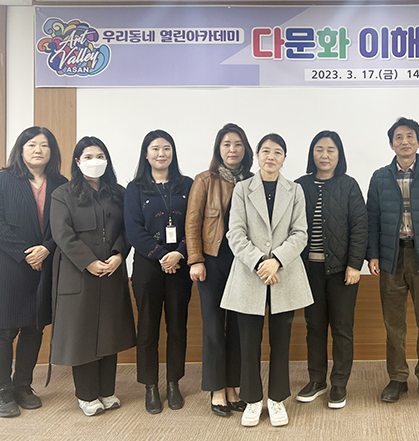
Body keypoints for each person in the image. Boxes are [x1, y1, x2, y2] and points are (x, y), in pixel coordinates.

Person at [220, 133, 313, 427]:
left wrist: (277, 260)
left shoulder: (295, 190)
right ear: (257, 156)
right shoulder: (242, 189)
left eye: (277, 152)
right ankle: (251, 399)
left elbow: (300, 233)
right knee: (249, 342)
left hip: (284, 274)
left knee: (281, 342)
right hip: (250, 274)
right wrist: (260, 261)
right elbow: (235, 233)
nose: (271, 156)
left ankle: (276, 399)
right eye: (265, 151)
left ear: (284, 158)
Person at [0, 127, 67, 418]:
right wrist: (26, 253)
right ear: (21, 149)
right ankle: (3, 389)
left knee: (34, 327)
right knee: (4, 330)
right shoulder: (3, 180)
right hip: (9, 265)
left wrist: (46, 248)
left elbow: (66, 225)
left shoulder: (61, 184)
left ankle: (23, 385)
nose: (38, 150)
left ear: (52, 151)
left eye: (44, 145)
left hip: (45, 264)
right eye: (31, 144)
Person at [50, 136, 136, 417]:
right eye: (88, 157)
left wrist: (119, 255)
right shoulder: (63, 194)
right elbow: (62, 233)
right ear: (77, 162)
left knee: (110, 332)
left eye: (100, 156)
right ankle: (87, 396)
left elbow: (128, 229)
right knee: (83, 335)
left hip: (112, 271)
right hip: (79, 275)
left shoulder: (119, 193)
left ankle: (107, 391)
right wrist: (88, 262)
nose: (94, 161)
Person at [366, 117, 419, 404]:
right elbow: (372, 219)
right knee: (394, 324)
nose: (404, 142)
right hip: (392, 257)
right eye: (398, 137)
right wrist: (373, 255)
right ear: (391, 144)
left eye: (410, 136)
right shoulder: (379, 177)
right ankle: (397, 377)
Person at [295, 131, 368, 409]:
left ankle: (339, 384)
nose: (324, 155)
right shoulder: (300, 186)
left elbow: (360, 227)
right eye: (319, 149)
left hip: (342, 271)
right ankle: (317, 380)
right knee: (314, 327)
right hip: (308, 270)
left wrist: (354, 265)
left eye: (331, 150)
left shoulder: (349, 185)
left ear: (339, 155)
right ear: (312, 153)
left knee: (342, 328)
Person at [186, 123, 254, 417]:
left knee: (238, 327)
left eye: (237, 144)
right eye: (226, 144)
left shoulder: (253, 181)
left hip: (243, 264)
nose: (232, 149)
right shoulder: (204, 180)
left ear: (245, 149)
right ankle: (216, 389)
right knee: (214, 327)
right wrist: (195, 259)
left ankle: (232, 386)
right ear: (218, 149)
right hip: (212, 261)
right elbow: (192, 221)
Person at [124, 130, 193, 414]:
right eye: (155, 148)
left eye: (166, 148)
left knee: (177, 327)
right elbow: (133, 230)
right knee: (148, 327)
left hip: (180, 265)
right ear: (146, 154)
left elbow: (195, 224)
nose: (161, 154)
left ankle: (173, 383)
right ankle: (150, 385)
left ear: (173, 153)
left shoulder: (187, 184)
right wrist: (163, 255)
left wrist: (180, 252)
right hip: (148, 266)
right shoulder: (135, 188)